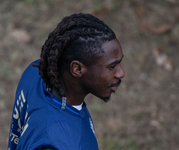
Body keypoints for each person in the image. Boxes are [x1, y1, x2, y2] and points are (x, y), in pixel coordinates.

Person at [8, 13, 125, 150]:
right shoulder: (58, 143)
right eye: (112, 67)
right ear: (77, 69)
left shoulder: (36, 72)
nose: (121, 73)